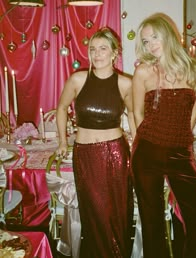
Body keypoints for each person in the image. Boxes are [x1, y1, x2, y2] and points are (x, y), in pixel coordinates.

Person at [131, 13, 196, 258]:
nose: (151, 44)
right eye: (145, 41)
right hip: (147, 153)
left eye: (155, 37)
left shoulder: (195, 72)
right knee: (153, 221)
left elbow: (192, 117)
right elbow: (137, 114)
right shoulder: (143, 72)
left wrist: (175, 139)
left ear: (168, 35)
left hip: (180, 152)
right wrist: (143, 146)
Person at [56, 27, 136, 258]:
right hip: (86, 156)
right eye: (93, 49)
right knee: (94, 213)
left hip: (116, 155)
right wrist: (62, 141)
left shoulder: (125, 83)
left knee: (117, 212)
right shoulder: (78, 79)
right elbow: (61, 108)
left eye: (103, 49)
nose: (97, 54)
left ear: (114, 53)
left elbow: (133, 115)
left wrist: (138, 142)